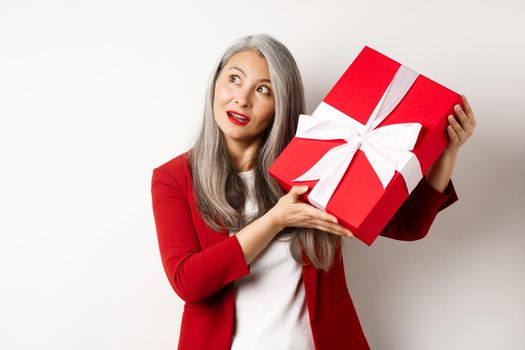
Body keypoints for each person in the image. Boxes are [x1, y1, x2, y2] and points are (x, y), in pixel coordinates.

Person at [150, 34, 476, 350]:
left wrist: (446, 152)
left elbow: (409, 227)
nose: (242, 98)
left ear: (281, 103)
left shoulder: (313, 164)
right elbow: (188, 283)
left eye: (263, 89)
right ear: (215, 84)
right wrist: (274, 220)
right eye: (234, 79)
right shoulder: (175, 177)